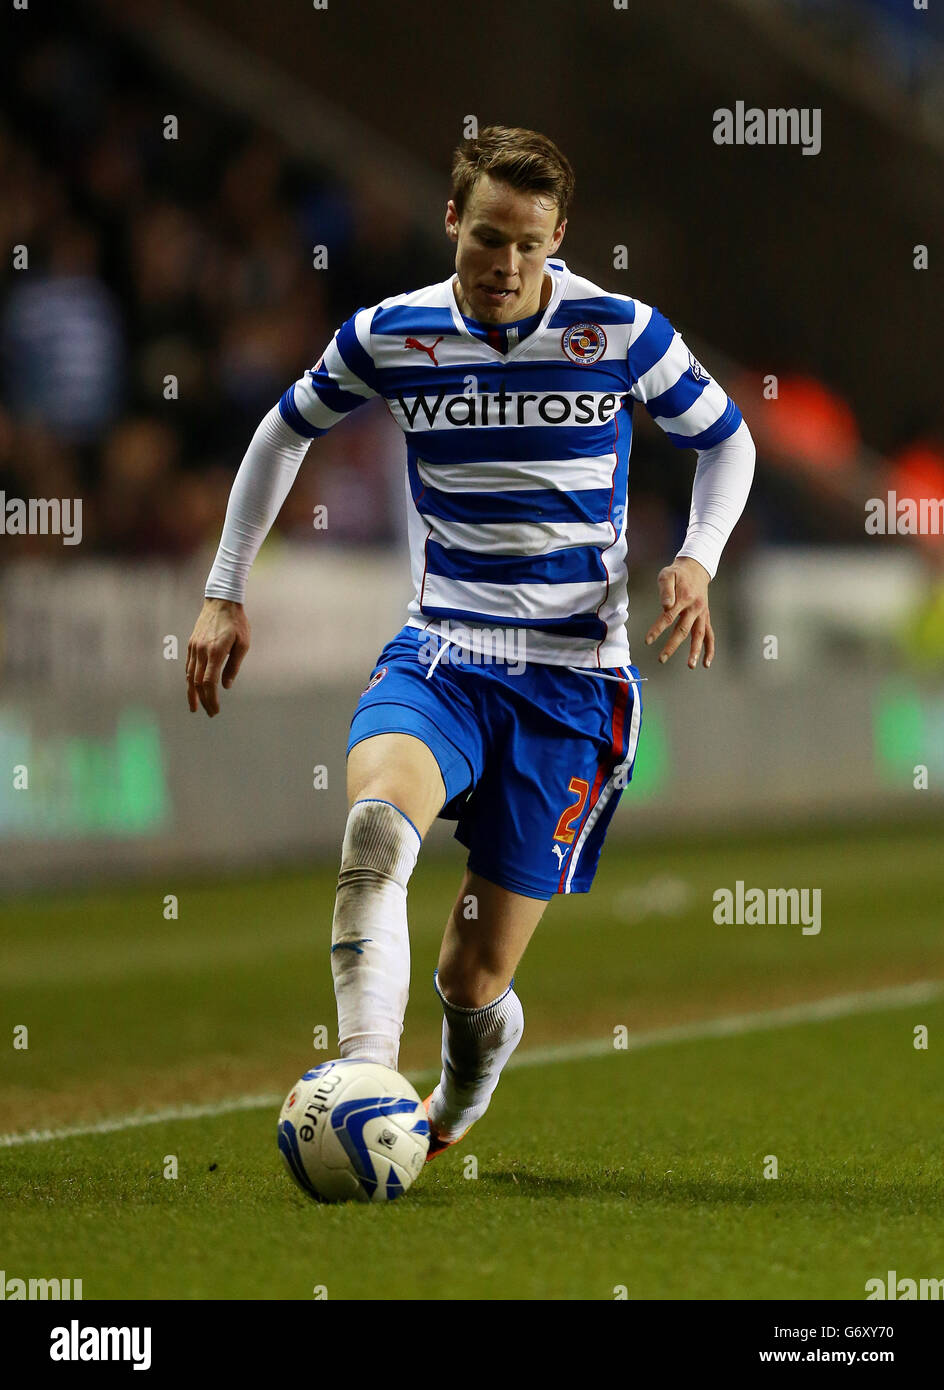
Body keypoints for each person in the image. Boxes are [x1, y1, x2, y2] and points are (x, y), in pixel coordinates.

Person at [186, 126, 755, 1159]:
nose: (505, 265)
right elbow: (283, 430)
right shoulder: (392, 334)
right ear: (451, 220)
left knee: (471, 976)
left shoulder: (618, 332)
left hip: (573, 687)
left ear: (559, 238)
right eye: (487, 238)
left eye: (528, 245)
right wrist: (223, 591)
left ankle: (455, 1095)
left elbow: (725, 439)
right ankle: (363, 1073)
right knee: (372, 836)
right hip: (444, 653)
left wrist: (698, 558)